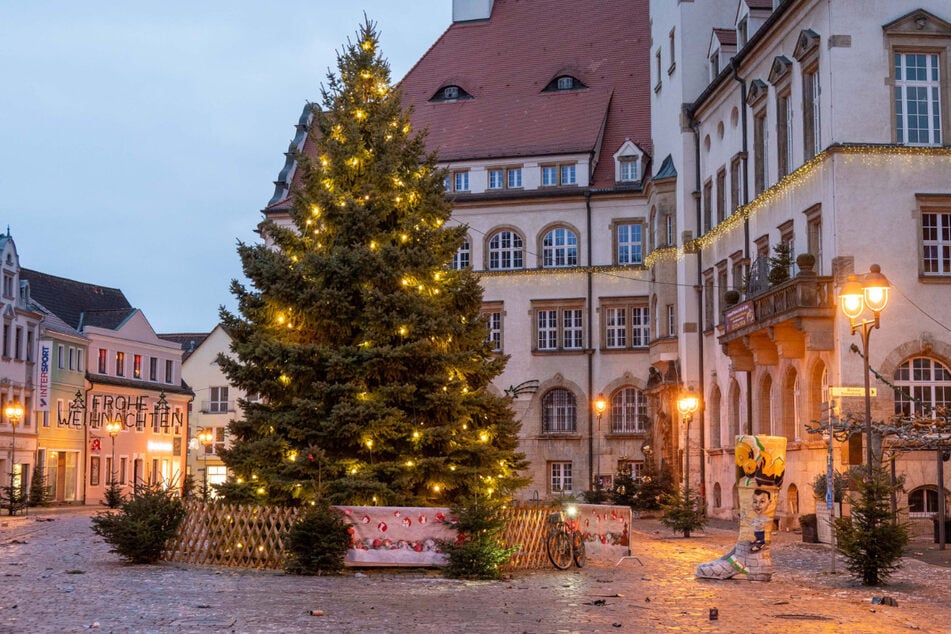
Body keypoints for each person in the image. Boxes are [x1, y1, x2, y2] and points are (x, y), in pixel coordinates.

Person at [749, 488, 771, 553]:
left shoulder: (766, 518)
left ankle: (760, 544)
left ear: (769, 502)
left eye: (762, 501)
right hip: (756, 533)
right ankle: (757, 542)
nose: (758, 505)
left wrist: (762, 526)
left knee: (762, 539)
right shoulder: (754, 517)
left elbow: (767, 525)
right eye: (755, 502)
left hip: (761, 533)